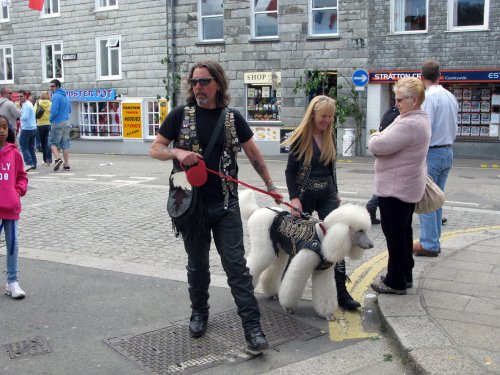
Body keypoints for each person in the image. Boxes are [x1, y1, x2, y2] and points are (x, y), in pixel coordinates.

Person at [149, 61, 282, 351]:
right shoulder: (179, 115)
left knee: (236, 267)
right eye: (195, 82)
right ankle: (199, 313)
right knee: (197, 265)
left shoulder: (233, 118)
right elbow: (155, 149)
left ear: (218, 84)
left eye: (205, 81)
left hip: (225, 204)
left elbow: (252, 152)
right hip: (190, 206)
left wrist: (271, 186)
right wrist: (177, 151)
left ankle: (252, 327)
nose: (198, 87)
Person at [281, 95, 360, 310]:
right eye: (323, 116)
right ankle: (287, 287)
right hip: (305, 195)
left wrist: (336, 191)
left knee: (338, 239)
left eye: (330, 117)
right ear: (313, 114)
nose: (326, 120)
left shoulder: (329, 135)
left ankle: (341, 293)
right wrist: (294, 198)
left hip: (326, 194)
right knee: (297, 241)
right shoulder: (301, 138)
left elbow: (330, 168)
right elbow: (290, 172)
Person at [368, 77, 430, 295]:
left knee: (394, 235)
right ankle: (406, 274)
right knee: (403, 232)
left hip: (395, 188)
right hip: (407, 186)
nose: (397, 104)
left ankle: (395, 280)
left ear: (414, 100)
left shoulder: (408, 123)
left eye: (400, 99)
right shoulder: (419, 119)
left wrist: (375, 135)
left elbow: (378, 144)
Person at [413, 60, 459, 257]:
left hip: (432, 152)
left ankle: (429, 243)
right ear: (439, 75)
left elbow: (425, 127)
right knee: (437, 199)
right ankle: (434, 240)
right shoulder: (450, 96)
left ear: (422, 77)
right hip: (447, 150)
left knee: (426, 199)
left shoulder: (429, 97)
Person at [0, 115, 28, 299]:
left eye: (4, 127)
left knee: (12, 245)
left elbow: (22, 176)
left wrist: (17, 191)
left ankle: (12, 281)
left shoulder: (14, 153)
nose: (1, 131)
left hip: (10, 207)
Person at [366, 104, 400, 224]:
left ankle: (372, 205)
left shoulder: (390, 111)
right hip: (391, 152)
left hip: (385, 153)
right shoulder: (398, 116)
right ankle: (431, 213)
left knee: (385, 184)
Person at [48, 79, 71, 171]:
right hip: (66, 122)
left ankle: (58, 159)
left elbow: (54, 111)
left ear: (57, 86)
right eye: (50, 86)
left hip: (57, 122)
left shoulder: (56, 96)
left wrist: (51, 119)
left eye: (52, 86)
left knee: (52, 143)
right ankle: (66, 164)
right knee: (65, 144)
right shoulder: (66, 96)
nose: (51, 88)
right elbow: (69, 110)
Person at [18, 90, 37, 171]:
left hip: (27, 128)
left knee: (24, 146)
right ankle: (34, 163)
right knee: (31, 147)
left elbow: (25, 117)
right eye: (18, 96)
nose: (19, 98)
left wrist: (18, 116)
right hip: (33, 127)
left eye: (21, 96)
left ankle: (29, 163)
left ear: (25, 96)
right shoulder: (28, 104)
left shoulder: (27, 105)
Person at [35, 91, 53, 166]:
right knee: (48, 143)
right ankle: (49, 160)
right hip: (48, 124)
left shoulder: (38, 103)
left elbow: (34, 112)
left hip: (40, 125)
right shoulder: (50, 103)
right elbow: (53, 112)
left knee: (42, 143)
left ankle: (44, 160)